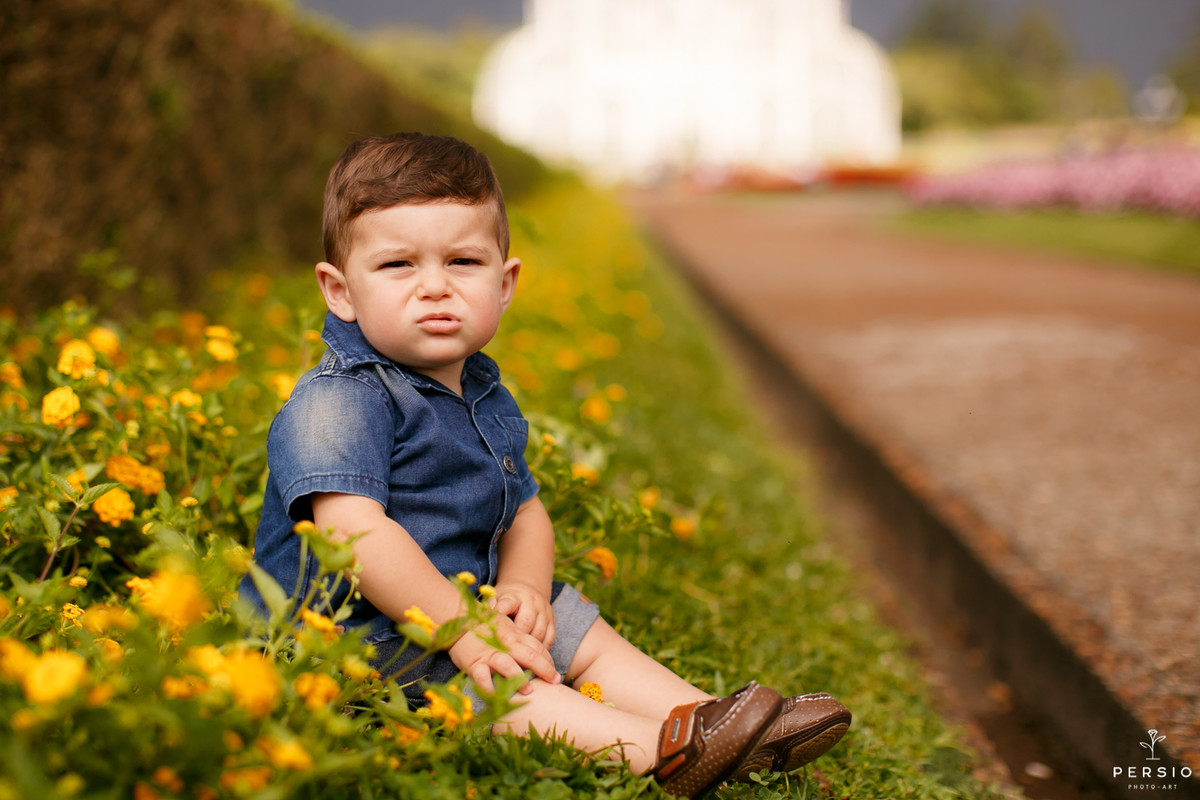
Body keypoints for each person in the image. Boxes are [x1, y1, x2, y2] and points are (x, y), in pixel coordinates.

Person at [239, 132, 850, 798]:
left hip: (463, 602)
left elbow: (524, 510)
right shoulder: (339, 400)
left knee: (569, 626)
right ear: (340, 291)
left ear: (504, 284)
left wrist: (526, 588)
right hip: (353, 640)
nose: (435, 287)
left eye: (463, 262)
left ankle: (708, 718)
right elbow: (352, 534)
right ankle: (656, 752)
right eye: (398, 266)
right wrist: (459, 628)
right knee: (505, 685)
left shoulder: (478, 390)